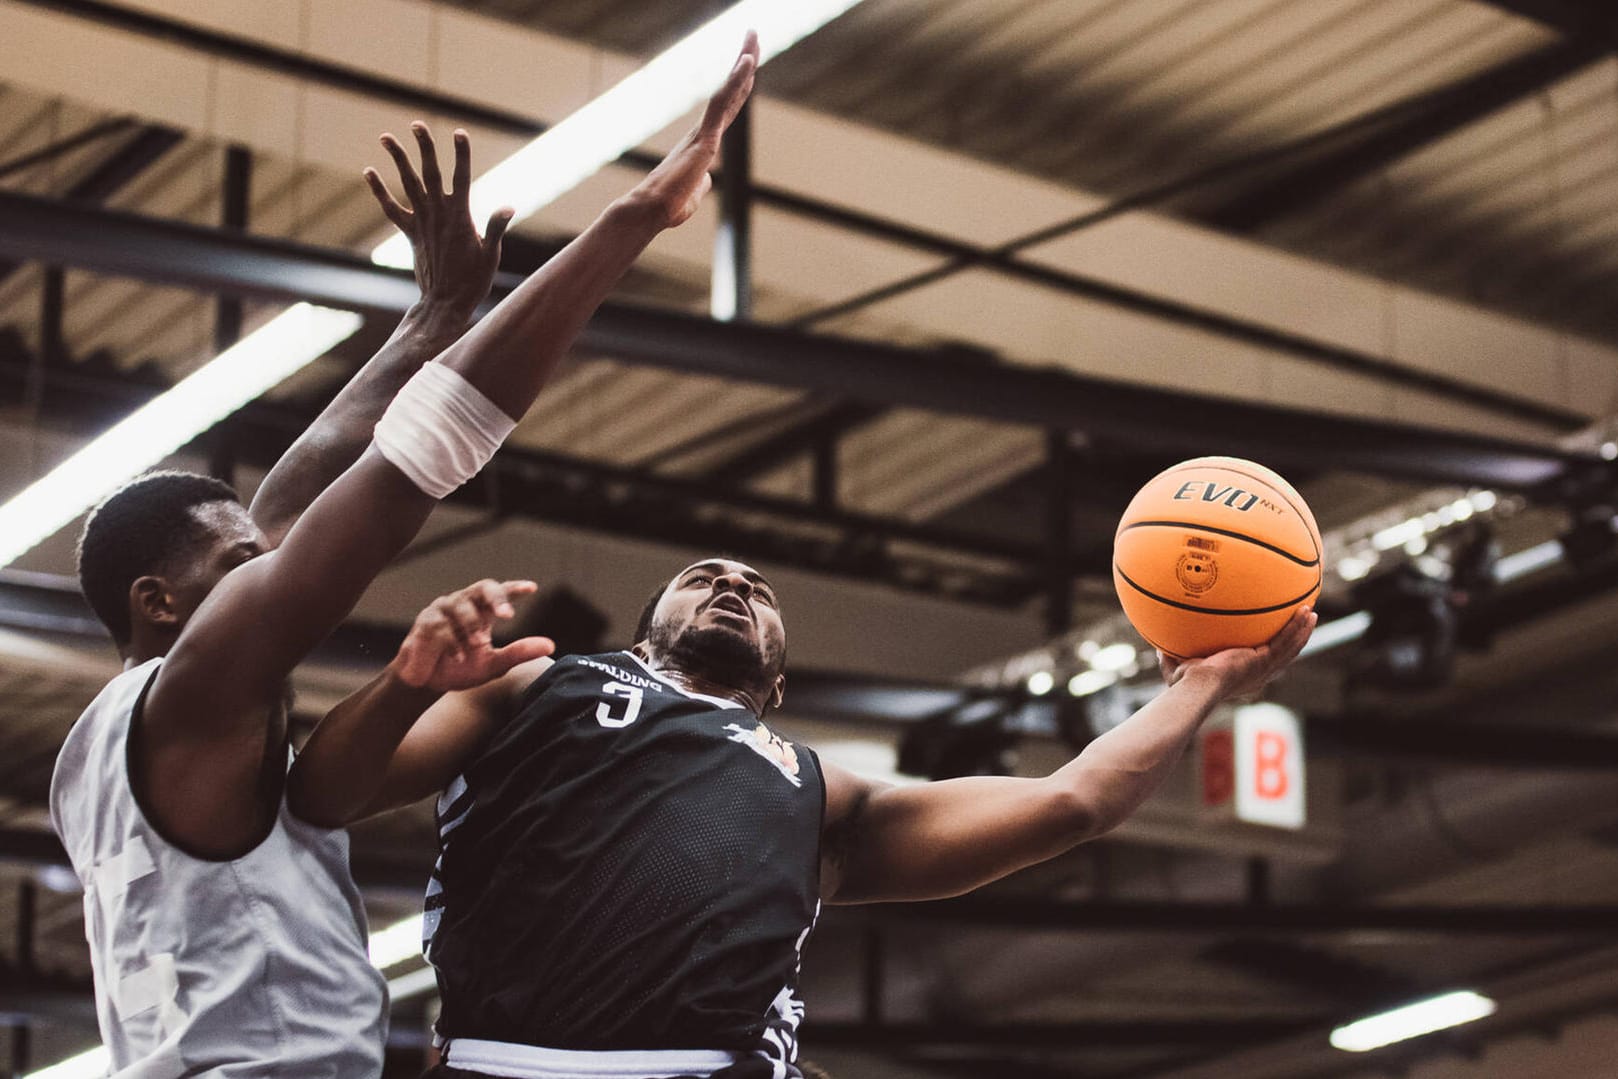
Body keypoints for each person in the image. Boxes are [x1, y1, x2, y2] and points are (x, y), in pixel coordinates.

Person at [50, 36, 759, 1077]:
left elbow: (303, 491)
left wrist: (433, 311)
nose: (266, 570)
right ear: (158, 600)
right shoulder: (193, 694)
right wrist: (633, 218)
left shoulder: (116, 738)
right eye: (235, 564)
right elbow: (404, 468)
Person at [290, 554, 1316, 1079]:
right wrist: (401, 682)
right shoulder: (538, 683)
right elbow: (319, 795)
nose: (733, 584)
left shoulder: (825, 789)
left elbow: (1073, 799)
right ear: (648, 637)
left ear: (777, 682)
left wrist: (1201, 685)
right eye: (704, 580)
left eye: (757, 590)